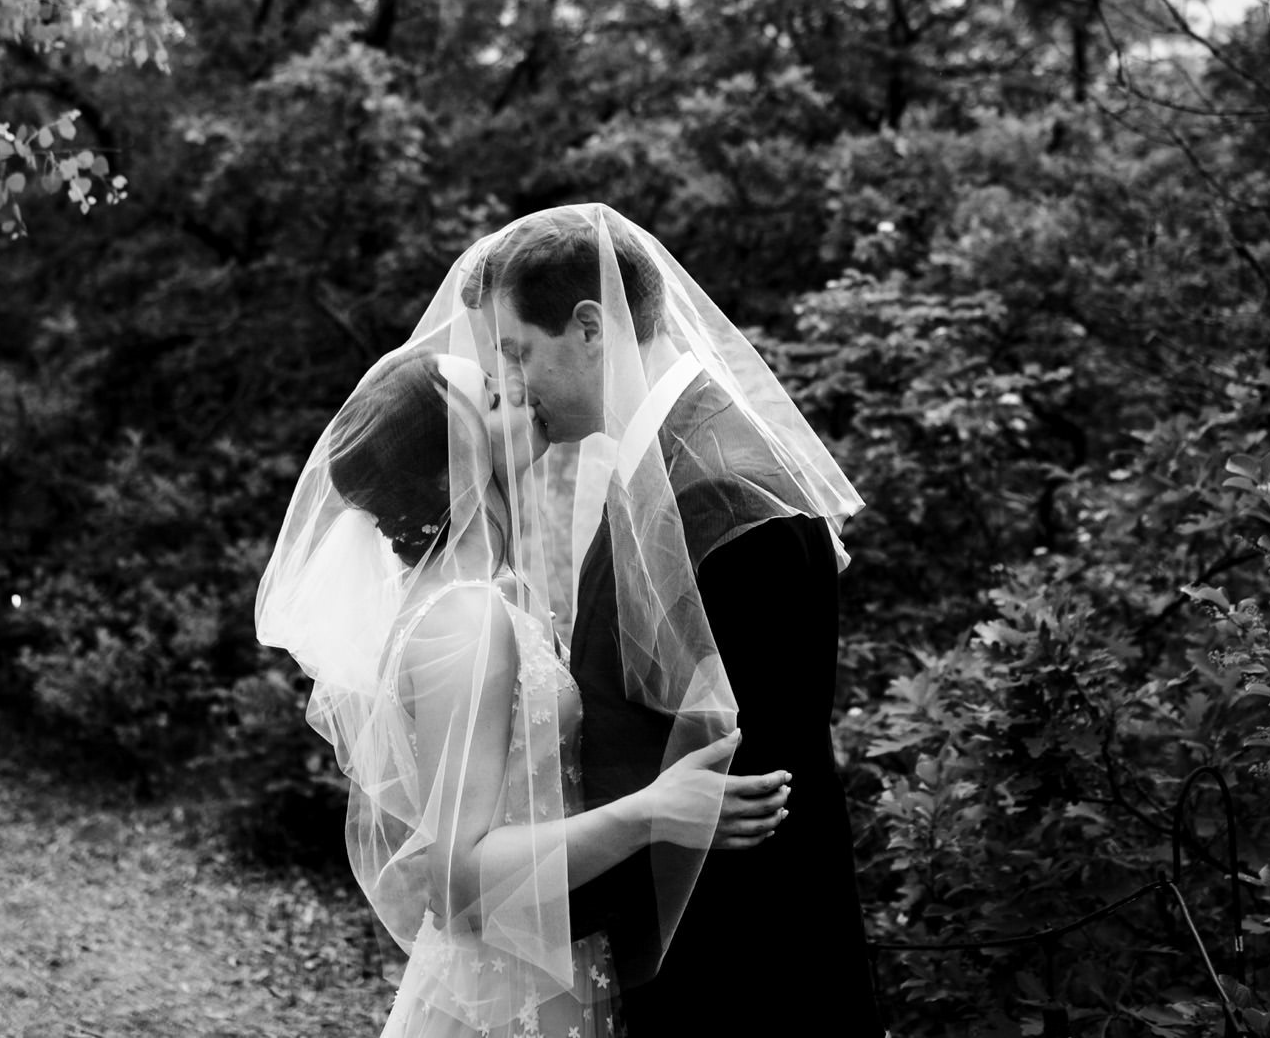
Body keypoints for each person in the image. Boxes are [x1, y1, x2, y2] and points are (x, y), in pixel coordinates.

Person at [256, 348, 791, 1038]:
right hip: (502, 998)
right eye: (494, 400)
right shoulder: (465, 619)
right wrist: (654, 811)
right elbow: (459, 882)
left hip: (550, 967)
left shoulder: (496, 595)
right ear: (454, 467)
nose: (523, 391)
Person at [465, 205, 883, 1037]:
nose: (511, 385)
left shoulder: (722, 488)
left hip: (746, 978)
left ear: (590, 325)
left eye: (519, 352)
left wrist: (528, 891)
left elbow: (751, 788)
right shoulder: (662, 459)